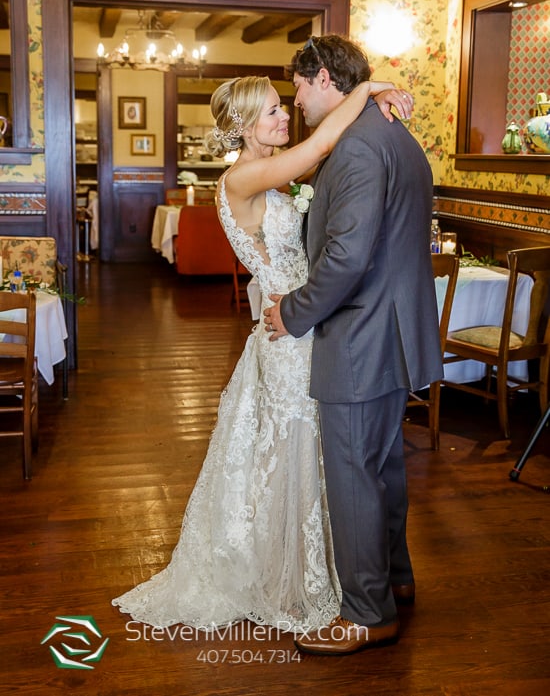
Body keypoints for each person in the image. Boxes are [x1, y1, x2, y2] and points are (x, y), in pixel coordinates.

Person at [112, 72, 413, 633]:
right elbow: (322, 145)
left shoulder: (267, 182)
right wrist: (368, 89)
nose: (285, 116)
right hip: (289, 340)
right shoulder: (245, 177)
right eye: (274, 111)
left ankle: (320, 567)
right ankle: (290, 579)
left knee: (310, 452)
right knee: (296, 451)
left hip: (298, 330)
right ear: (246, 126)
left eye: (283, 106)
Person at [264, 34, 443, 655]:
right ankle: (395, 577)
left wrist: (292, 312)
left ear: (322, 78)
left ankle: (367, 613)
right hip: (395, 333)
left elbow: (345, 258)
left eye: (299, 86)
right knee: (384, 467)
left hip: (363, 337)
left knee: (352, 473)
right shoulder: (394, 136)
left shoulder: (361, 147)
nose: (297, 100)